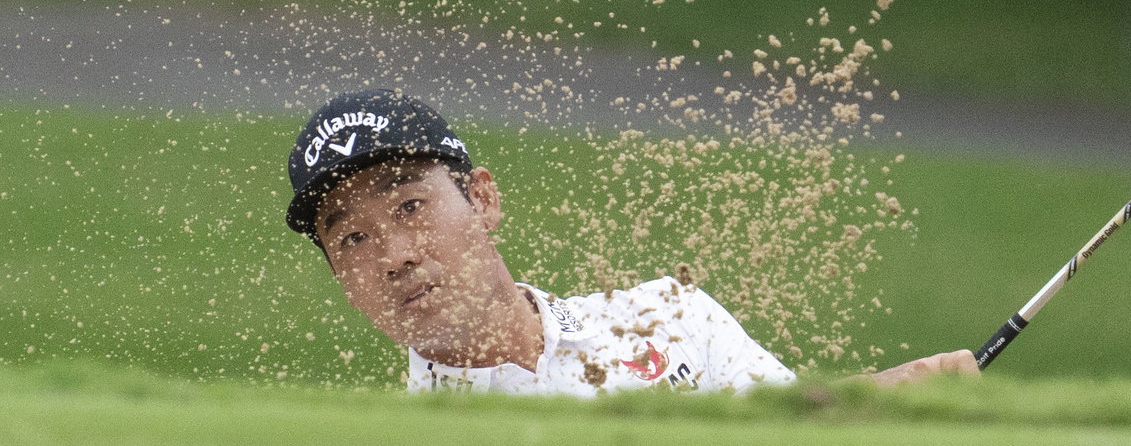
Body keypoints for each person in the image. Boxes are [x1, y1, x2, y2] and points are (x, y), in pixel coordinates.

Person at [286, 88, 978, 395]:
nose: (395, 254)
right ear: (343, 285)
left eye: (410, 204)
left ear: (484, 199)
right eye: (351, 239)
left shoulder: (670, 315)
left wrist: (877, 403)